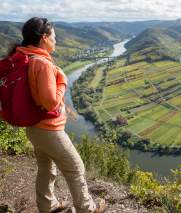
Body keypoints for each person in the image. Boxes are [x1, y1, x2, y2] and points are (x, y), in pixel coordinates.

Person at [12, 17, 106, 213]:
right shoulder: (43, 64)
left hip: (34, 127)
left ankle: (48, 206)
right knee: (75, 167)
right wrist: (63, 82)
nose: (57, 40)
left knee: (46, 168)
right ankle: (87, 209)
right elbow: (50, 102)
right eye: (54, 36)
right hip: (49, 130)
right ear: (45, 37)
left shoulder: (25, 56)